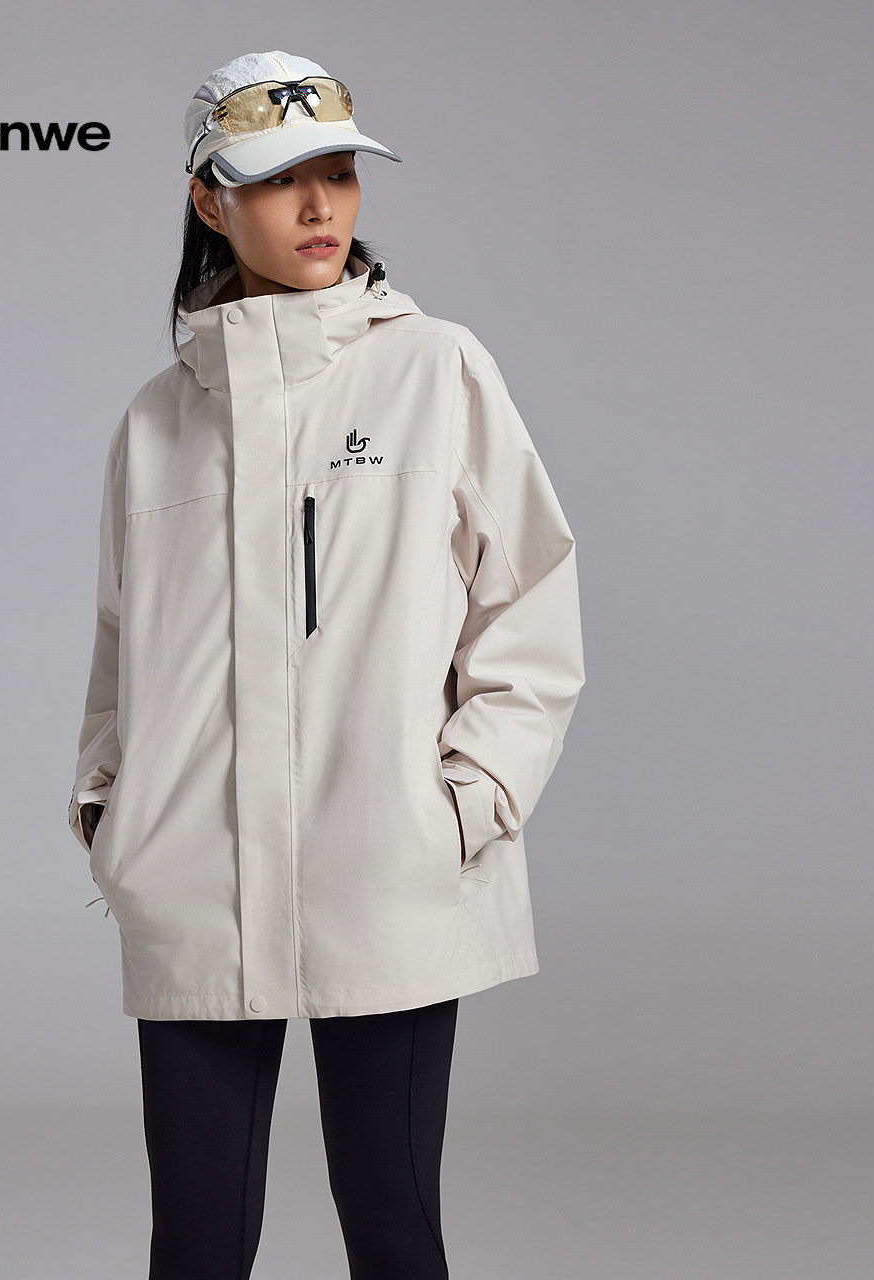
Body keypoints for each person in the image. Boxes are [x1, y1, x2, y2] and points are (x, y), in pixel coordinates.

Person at [67, 49, 587, 1280]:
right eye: (276, 179)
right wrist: (109, 806)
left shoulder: (436, 369)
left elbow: (530, 599)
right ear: (208, 200)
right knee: (194, 1244)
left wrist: (467, 802)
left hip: (390, 862)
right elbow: (120, 639)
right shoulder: (154, 419)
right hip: (191, 870)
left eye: (339, 173)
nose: (318, 207)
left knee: (393, 1225)